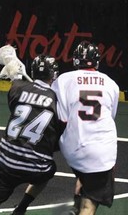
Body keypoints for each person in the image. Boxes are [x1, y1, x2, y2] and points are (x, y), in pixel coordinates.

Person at [0, 46, 61, 215]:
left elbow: (17, 87)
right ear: (54, 75)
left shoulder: (17, 89)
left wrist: (15, 72)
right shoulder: (57, 100)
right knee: (50, 168)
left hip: (6, 163)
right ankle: (22, 207)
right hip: (36, 167)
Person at [51, 41, 119, 215]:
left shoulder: (63, 80)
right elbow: (110, 116)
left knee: (84, 170)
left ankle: (75, 206)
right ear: (96, 61)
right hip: (102, 152)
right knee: (90, 205)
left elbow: (62, 119)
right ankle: (81, 207)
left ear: (75, 60)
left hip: (73, 151)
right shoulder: (111, 84)